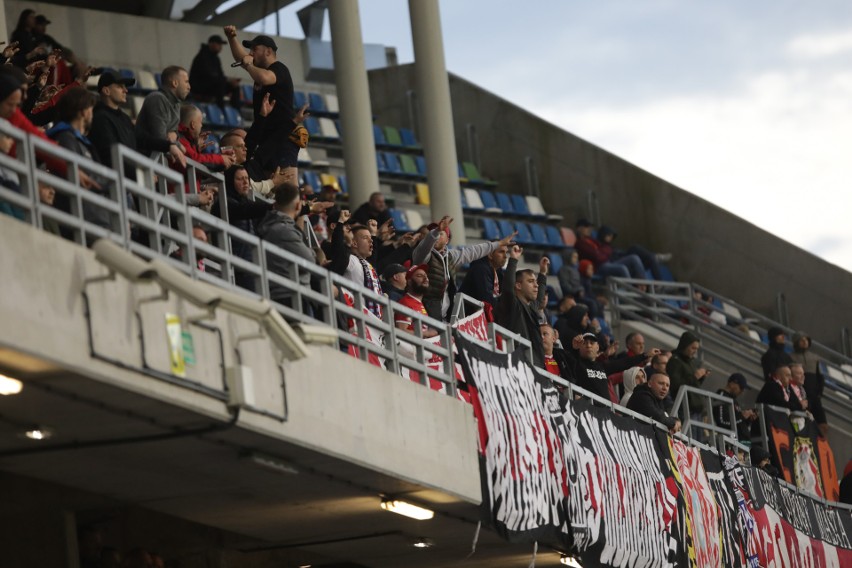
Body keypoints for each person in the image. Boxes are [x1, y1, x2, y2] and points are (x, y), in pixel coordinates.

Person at [223, 27, 298, 182]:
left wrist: (248, 65)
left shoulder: (279, 69)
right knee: (268, 183)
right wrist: (232, 38)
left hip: (282, 137)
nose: (251, 53)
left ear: (268, 51)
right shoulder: (256, 68)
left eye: (255, 49)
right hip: (266, 138)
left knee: (287, 186)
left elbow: (265, 78)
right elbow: (241, 57)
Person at [414, 216, 516, 321]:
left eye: (440, 234)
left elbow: (473, 251)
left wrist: (498, 244)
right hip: (425, 310)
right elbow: (425, 245)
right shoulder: (423, 254)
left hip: (445, 315)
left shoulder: (451, 256)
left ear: (447, 240)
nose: (435, 236)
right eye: (432, 234)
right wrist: (437, 231)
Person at [46, 86, 112, 231]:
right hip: (84, 221)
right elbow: (83, 178)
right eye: (91, 109)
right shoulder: (65, 138)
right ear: (83, 111)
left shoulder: (79, 141)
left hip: (95, 218)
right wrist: (111, 183)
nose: (92, 114)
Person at [256, 183, 316, 307]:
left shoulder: (271, 224)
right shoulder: (284, 230)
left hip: (284, 294)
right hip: (291, 297)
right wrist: (313, 252)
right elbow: (309, 260)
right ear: (298, 205)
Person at [212, 165, 272, 290]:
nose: (245, 182)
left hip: (251, 266)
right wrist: (273, 206)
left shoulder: (245, 203)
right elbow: (242, 210)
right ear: (229, 182)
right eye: (240, 179)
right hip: (235, 267)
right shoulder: (223, 204)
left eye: (246, 178)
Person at [562, 332, 657, 405]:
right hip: (587, 412)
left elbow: (624, 363)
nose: (588, 345)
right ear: (579, 347)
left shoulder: (602, 366)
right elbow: (564, 358)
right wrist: (573, 349)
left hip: (605, 413)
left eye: (592, 343)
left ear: (597, 347)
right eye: (585, 343)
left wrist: (645, 355)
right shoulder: (576, 363)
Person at [494, 246, 548, 367]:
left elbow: (539, 300)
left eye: (536, 282)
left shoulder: (530, 307)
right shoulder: (511, 304)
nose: (536, 285)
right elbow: (508, 288)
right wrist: (513, 259)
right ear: (518, 286)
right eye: (530, 281)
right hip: (518, 364)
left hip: (535, 364)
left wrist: (543, 273)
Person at [135, 65, 189, 168]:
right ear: (175, 83)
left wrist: (175, 138)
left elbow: (173, 136)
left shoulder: (176, 104)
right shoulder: (157, 99)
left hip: (157, 161)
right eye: (186, 82)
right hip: (143, 162)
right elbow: (160, 138)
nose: (189, 87)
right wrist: (175, 142)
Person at [89, 71, 137, 169]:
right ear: (106, 91)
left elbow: (141, 139)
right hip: (114, 180)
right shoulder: (100, 119)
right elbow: (110, 156)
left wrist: (168, 145)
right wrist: (138, 174)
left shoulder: (125, 118)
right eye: (120, 86)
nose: (125, 90)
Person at [573, 219, 644, 279]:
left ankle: (643, 286)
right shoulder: (580, 243)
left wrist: (603, 253)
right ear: (579, 228)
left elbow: (607, 249)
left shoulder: (592, 240)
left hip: (607, 262)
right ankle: (630, 292)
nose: (589, 229)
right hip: (598, 267)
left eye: (590, 227)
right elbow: (597, 257)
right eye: (586, 226)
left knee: (634, 258)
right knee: (622, 268)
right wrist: (604, 253)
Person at [790, 331, 827, 436]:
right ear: (796, 342)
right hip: (801, 396)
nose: (805, 342)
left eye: (806, 339)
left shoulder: (815, 357)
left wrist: (820, 392)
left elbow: (820, 376)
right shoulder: (791, 357)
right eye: (802, 340)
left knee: (823, 424)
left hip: (815, 396)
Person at [189, 34, 240, 109]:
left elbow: (219, 75)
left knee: (235, 86)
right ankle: (221, 109)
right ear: (211, 44)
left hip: (211, 85)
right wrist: (226, 80)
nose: (221, 47)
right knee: (220, 83)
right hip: (199, 87)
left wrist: (229, 81)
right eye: (219, 44)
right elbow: (208, 75)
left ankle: (235, 111)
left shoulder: (216, 58)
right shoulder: (202, 56)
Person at [666, 331, 710, 413]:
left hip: (695, 409)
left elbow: (693, 385)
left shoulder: (690, 362)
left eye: (697, 349)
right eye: (693, 348)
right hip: (684, 408)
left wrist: (701, 377)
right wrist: (695, 377)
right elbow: (675, 385)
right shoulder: (675, 360)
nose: (695, 351)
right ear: (684, 346)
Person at [394, 264, 438, 338]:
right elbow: (401, 331)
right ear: (410, 282)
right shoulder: (405, 303)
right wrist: (427, 333)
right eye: (419, 276)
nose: (425, 278)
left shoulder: (418, 303)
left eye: (426, 276)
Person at [458, 243, 508, 308]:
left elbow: (506, 293)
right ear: (490, 255)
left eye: (506, 252)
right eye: (501, 252)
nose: (505, 256)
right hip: (467, 315)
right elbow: (487, 300)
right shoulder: (480, 269)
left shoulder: (498, 270)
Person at [713, 372, 756, 440]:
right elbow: (722, 421)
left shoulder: (734, 400)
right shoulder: (721, 395)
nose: (742, 391)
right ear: (732, 384)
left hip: (742, 441)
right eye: (741, 388)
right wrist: (741, 416)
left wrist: (748, 419)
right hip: (733, 441)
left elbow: (738, 424)